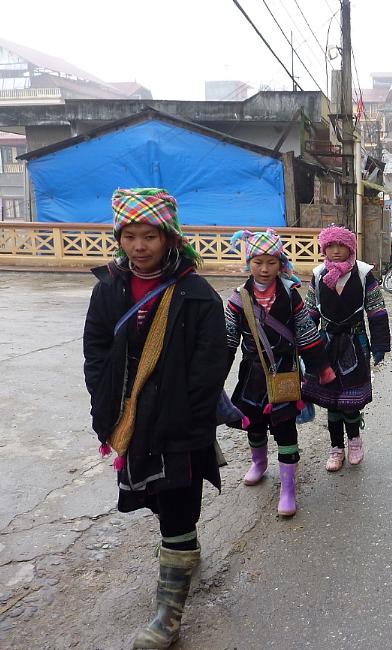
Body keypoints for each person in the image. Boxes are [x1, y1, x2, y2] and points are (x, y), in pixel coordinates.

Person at [83, 188, 226, 649]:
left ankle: (168, 615)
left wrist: (193, 415)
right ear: (119, 237)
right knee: (159, 502)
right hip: (134, 421)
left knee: (178, 507)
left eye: (149, 236)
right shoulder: (108, 288)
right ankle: (185, 551)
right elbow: (97, 352)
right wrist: (106, 405)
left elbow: (211, 362)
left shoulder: (196, 293)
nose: (139, 246)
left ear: (169, 238)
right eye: (130, 235)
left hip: (181, 423)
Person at [224, 229, 334, 517]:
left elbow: (306, 332)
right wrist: (213, 376)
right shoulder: (238, 298)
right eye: (258, 262)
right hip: (252, 374)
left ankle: (287, 489)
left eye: (270, 262)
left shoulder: (290, 294)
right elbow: (227, 340)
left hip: (285, 372)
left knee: (285, 429)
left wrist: (321, 367)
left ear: (280, 263)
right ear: (249, 262)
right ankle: (259, 463)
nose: (264, 269)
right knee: (254, 425)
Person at [303, 225, 391, 471]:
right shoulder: (318, 274)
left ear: (351, 247)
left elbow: (376, 311)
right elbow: (310, 313)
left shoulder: (363, 274)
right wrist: (305, 348)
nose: (336, 251)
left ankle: (354, 440)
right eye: (330, 246)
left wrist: (379, 345)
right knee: (331, 400)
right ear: (324, 249)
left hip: (355, 342)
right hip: (327, 344)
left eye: (341, 245)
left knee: (351, 400)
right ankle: (336, 448)